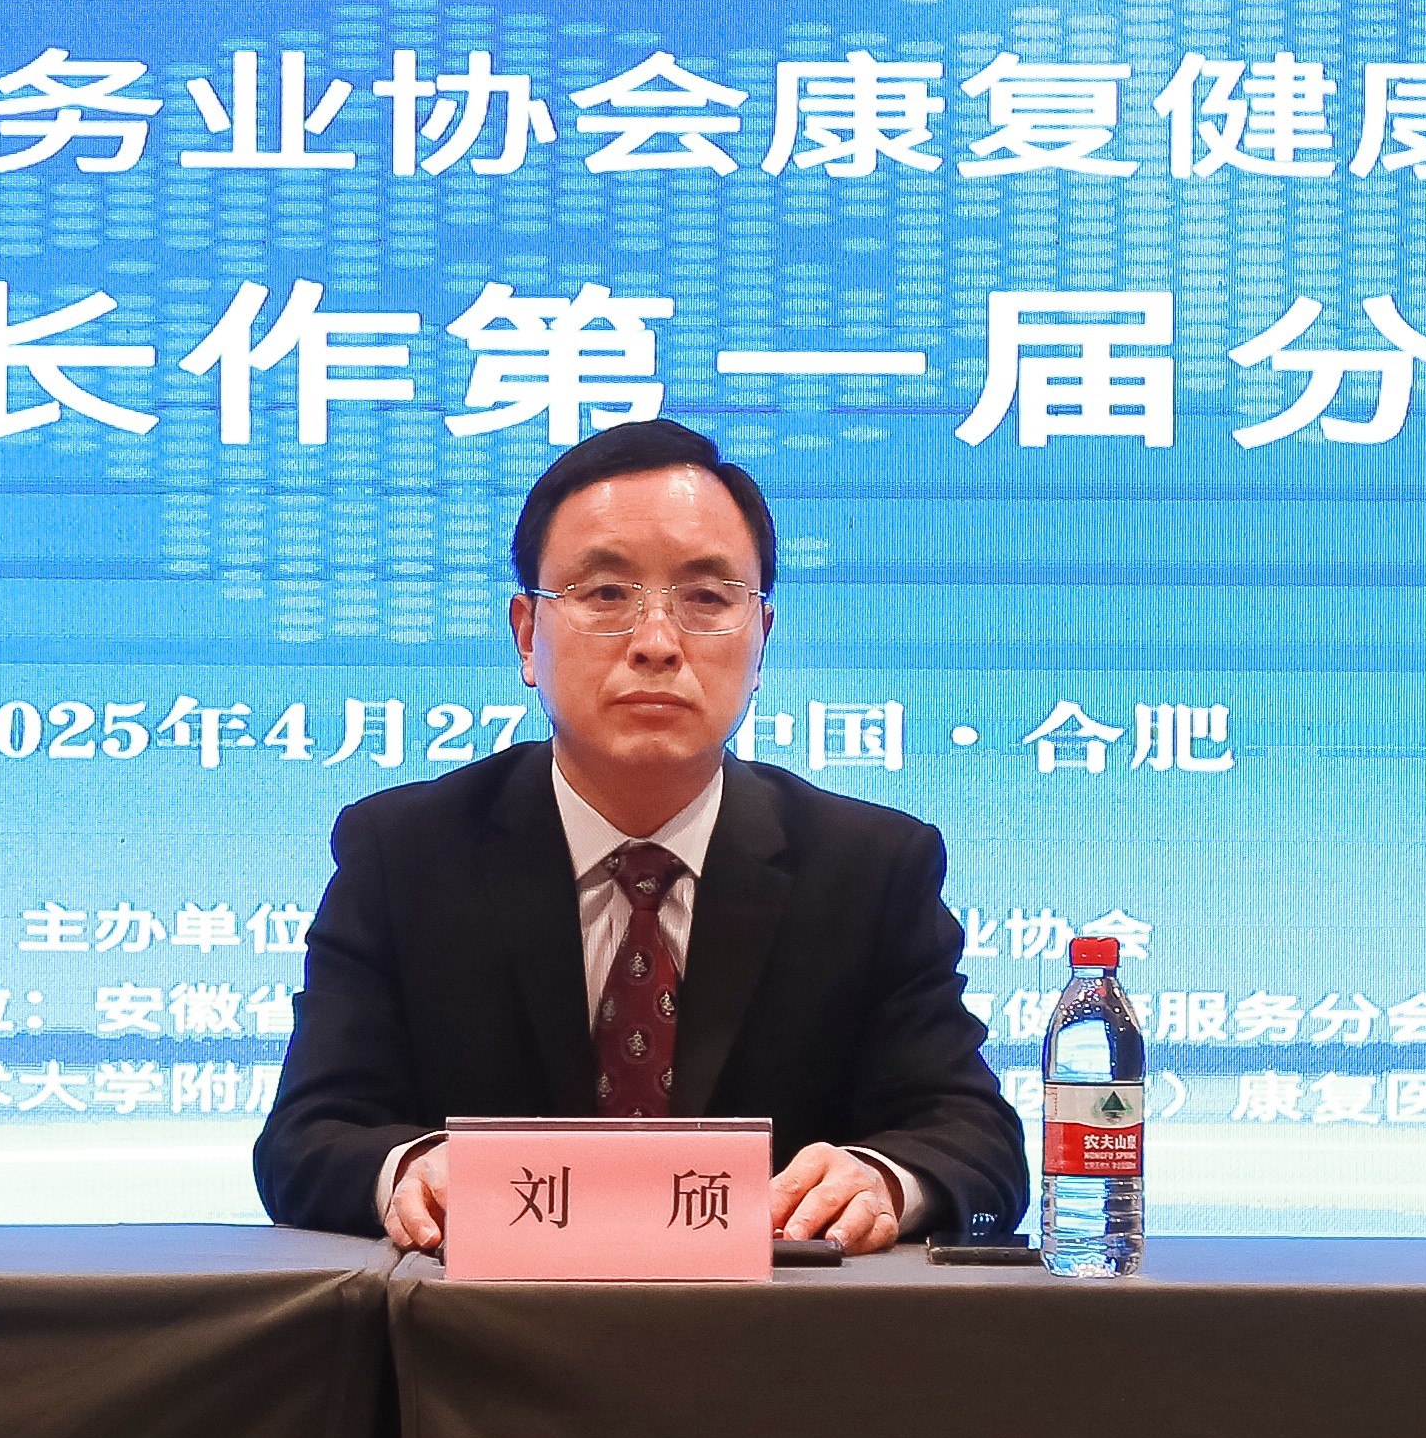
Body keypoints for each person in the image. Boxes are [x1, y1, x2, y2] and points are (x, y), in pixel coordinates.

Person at [254, 418, 1024, 1252]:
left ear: (762, 641)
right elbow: (307, 1137)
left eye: (706, 599)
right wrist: (414, 1169)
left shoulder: (867, 868)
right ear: (527, 635)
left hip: (780, 1327)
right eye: (605, 595)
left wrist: (881, 1179)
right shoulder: (405, 853)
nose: (656, 644)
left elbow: (974, 1138)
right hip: (480, 1325)